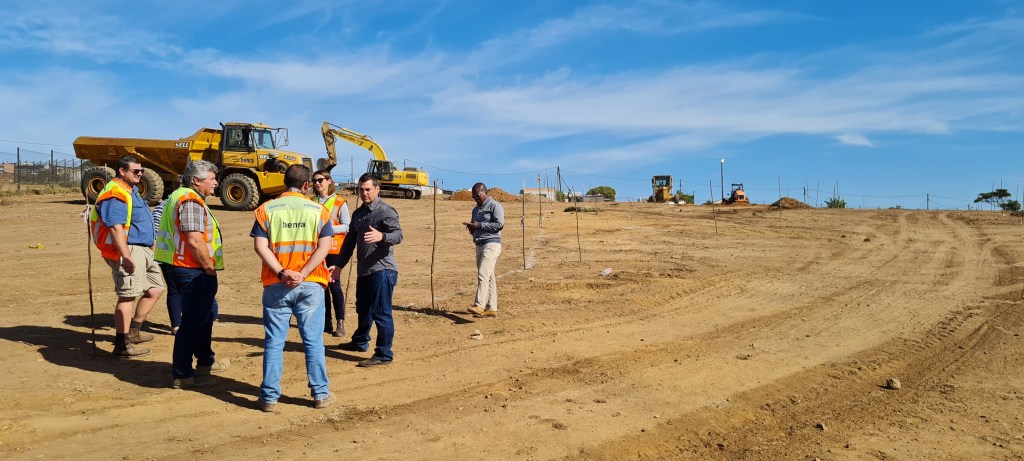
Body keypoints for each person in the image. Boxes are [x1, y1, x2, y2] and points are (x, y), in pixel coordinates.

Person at [251, 164, 335, 412]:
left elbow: (260, 246)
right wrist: (303, 273)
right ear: (306, 185)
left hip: (276, 283)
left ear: (284, 182)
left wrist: (282, 272)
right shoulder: (319, 210)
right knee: (313, 341)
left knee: (274, 341)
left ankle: (269, 398)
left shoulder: (266, 209)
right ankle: (320, 394)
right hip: (310, 284)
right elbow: (325, 247)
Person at [155, 160, 226, 389]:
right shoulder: (190, 200)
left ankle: (205, 362)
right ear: (196, 180)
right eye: (212, 178)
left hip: (183, 266)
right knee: (193, 323)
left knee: (204, 317)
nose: (216, 183)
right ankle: (183, 373)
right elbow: (194, 240)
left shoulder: (178, 196)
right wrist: (209, 268)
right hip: (192, 269)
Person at [89, 155, 165, 358]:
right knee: (128, 295)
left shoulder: (131, 190)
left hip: (143, 249)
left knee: (155, 288)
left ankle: (134, 331)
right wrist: (126, 256)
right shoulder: (115, 193)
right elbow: (115, 228)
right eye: (136, 171)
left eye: (141, 171)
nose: (140, 174)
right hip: (130, 250)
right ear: (122, 171)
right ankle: (121, 345)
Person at [335, 173, 402, 367]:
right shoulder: (358, 214)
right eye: (361, 189)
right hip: (364, 271)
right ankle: (360, 341)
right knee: (363, 309)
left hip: (383, 270)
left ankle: (383, 354)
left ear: (377, 189)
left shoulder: (386, 211)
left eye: (368, 189)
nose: (364, 193)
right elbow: (348, 244)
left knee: (381, 313)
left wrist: (382, 236)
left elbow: (398, 235)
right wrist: (338, 266)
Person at [153, 177, 220, 336]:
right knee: (198, 301)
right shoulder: (186, 202)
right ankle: (183, 328)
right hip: (181, 259)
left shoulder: (168, 203)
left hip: (170, 256)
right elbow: (192, 239)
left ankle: (177, 326)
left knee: (174, 291)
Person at [311, 170, 350, 337]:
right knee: (322, 286)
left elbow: (347, 226)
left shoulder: (339, 202)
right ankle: (326, 321)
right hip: (316, 250)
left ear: (329, 181)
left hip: (334, 250)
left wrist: (327, 229)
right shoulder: (311, 201)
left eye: (320, 180)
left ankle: (340, 321)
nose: (317, 183)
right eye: (315, 181)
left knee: (334, 285)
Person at [464, 183, 504, 318]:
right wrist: (472, 228)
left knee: (483, 274)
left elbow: (499, 224)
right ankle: (492, 308)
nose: (475, 198)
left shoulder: (495, 206)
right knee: (489, 276)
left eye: (477, 196)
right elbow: (475, 228)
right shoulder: (475, 210)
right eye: (473, 197)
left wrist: (479, 225)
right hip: (479, 244)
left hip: (491, 244)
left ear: (485, 192)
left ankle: (479, 305)